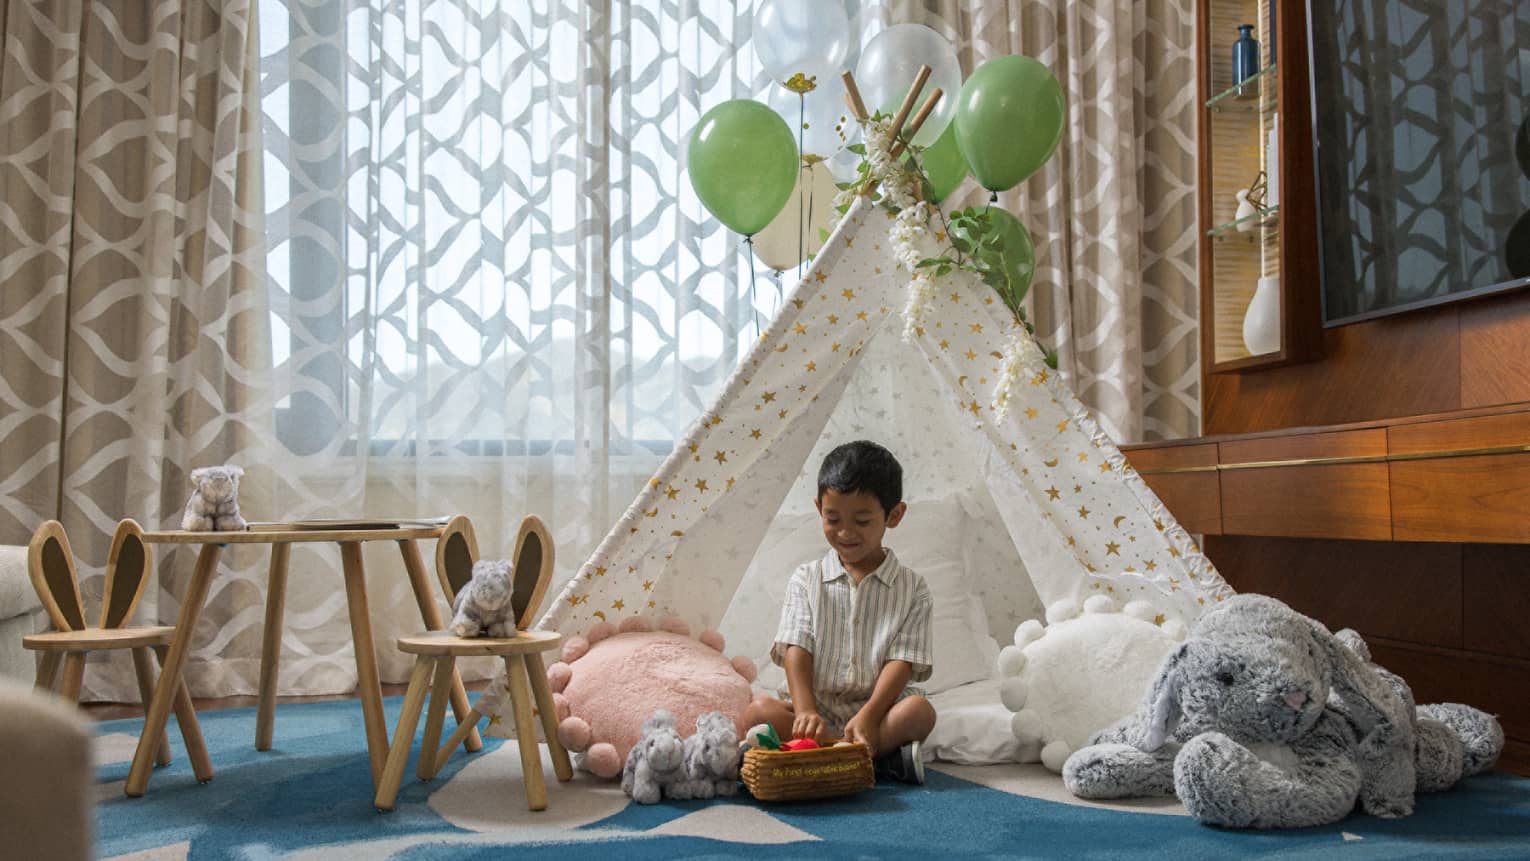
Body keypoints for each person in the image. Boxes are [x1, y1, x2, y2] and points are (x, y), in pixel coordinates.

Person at [743, 440, 938, 784]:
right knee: (757, 712)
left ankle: (822, 757)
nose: (846, 533)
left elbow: (902, 662)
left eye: (862, 521)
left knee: (919, 713)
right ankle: (868, 760)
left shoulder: (913, 588)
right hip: (815, 712)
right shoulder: (806, 579)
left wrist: (869, 715)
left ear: (894, 515)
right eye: (833, 519)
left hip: (877, 715)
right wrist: (805, 710)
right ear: (819, 508)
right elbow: (796, 648)